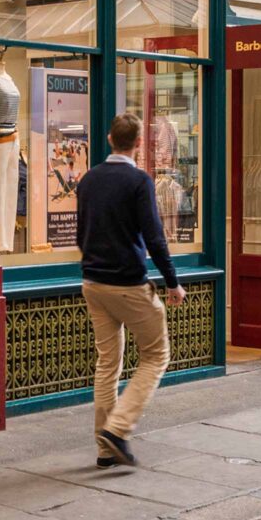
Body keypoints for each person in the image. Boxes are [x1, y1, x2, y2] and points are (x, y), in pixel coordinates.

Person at [76, 111, 184, 469]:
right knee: (156, 355)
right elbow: (155, 237)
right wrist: (172, 282)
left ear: (109, 139)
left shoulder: (88, 180)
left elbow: (81, 235)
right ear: (139, 144)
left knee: (108, 363)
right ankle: (119, 429)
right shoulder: (139, 181)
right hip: (128, 284)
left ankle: (105, 449)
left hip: (93, 283)